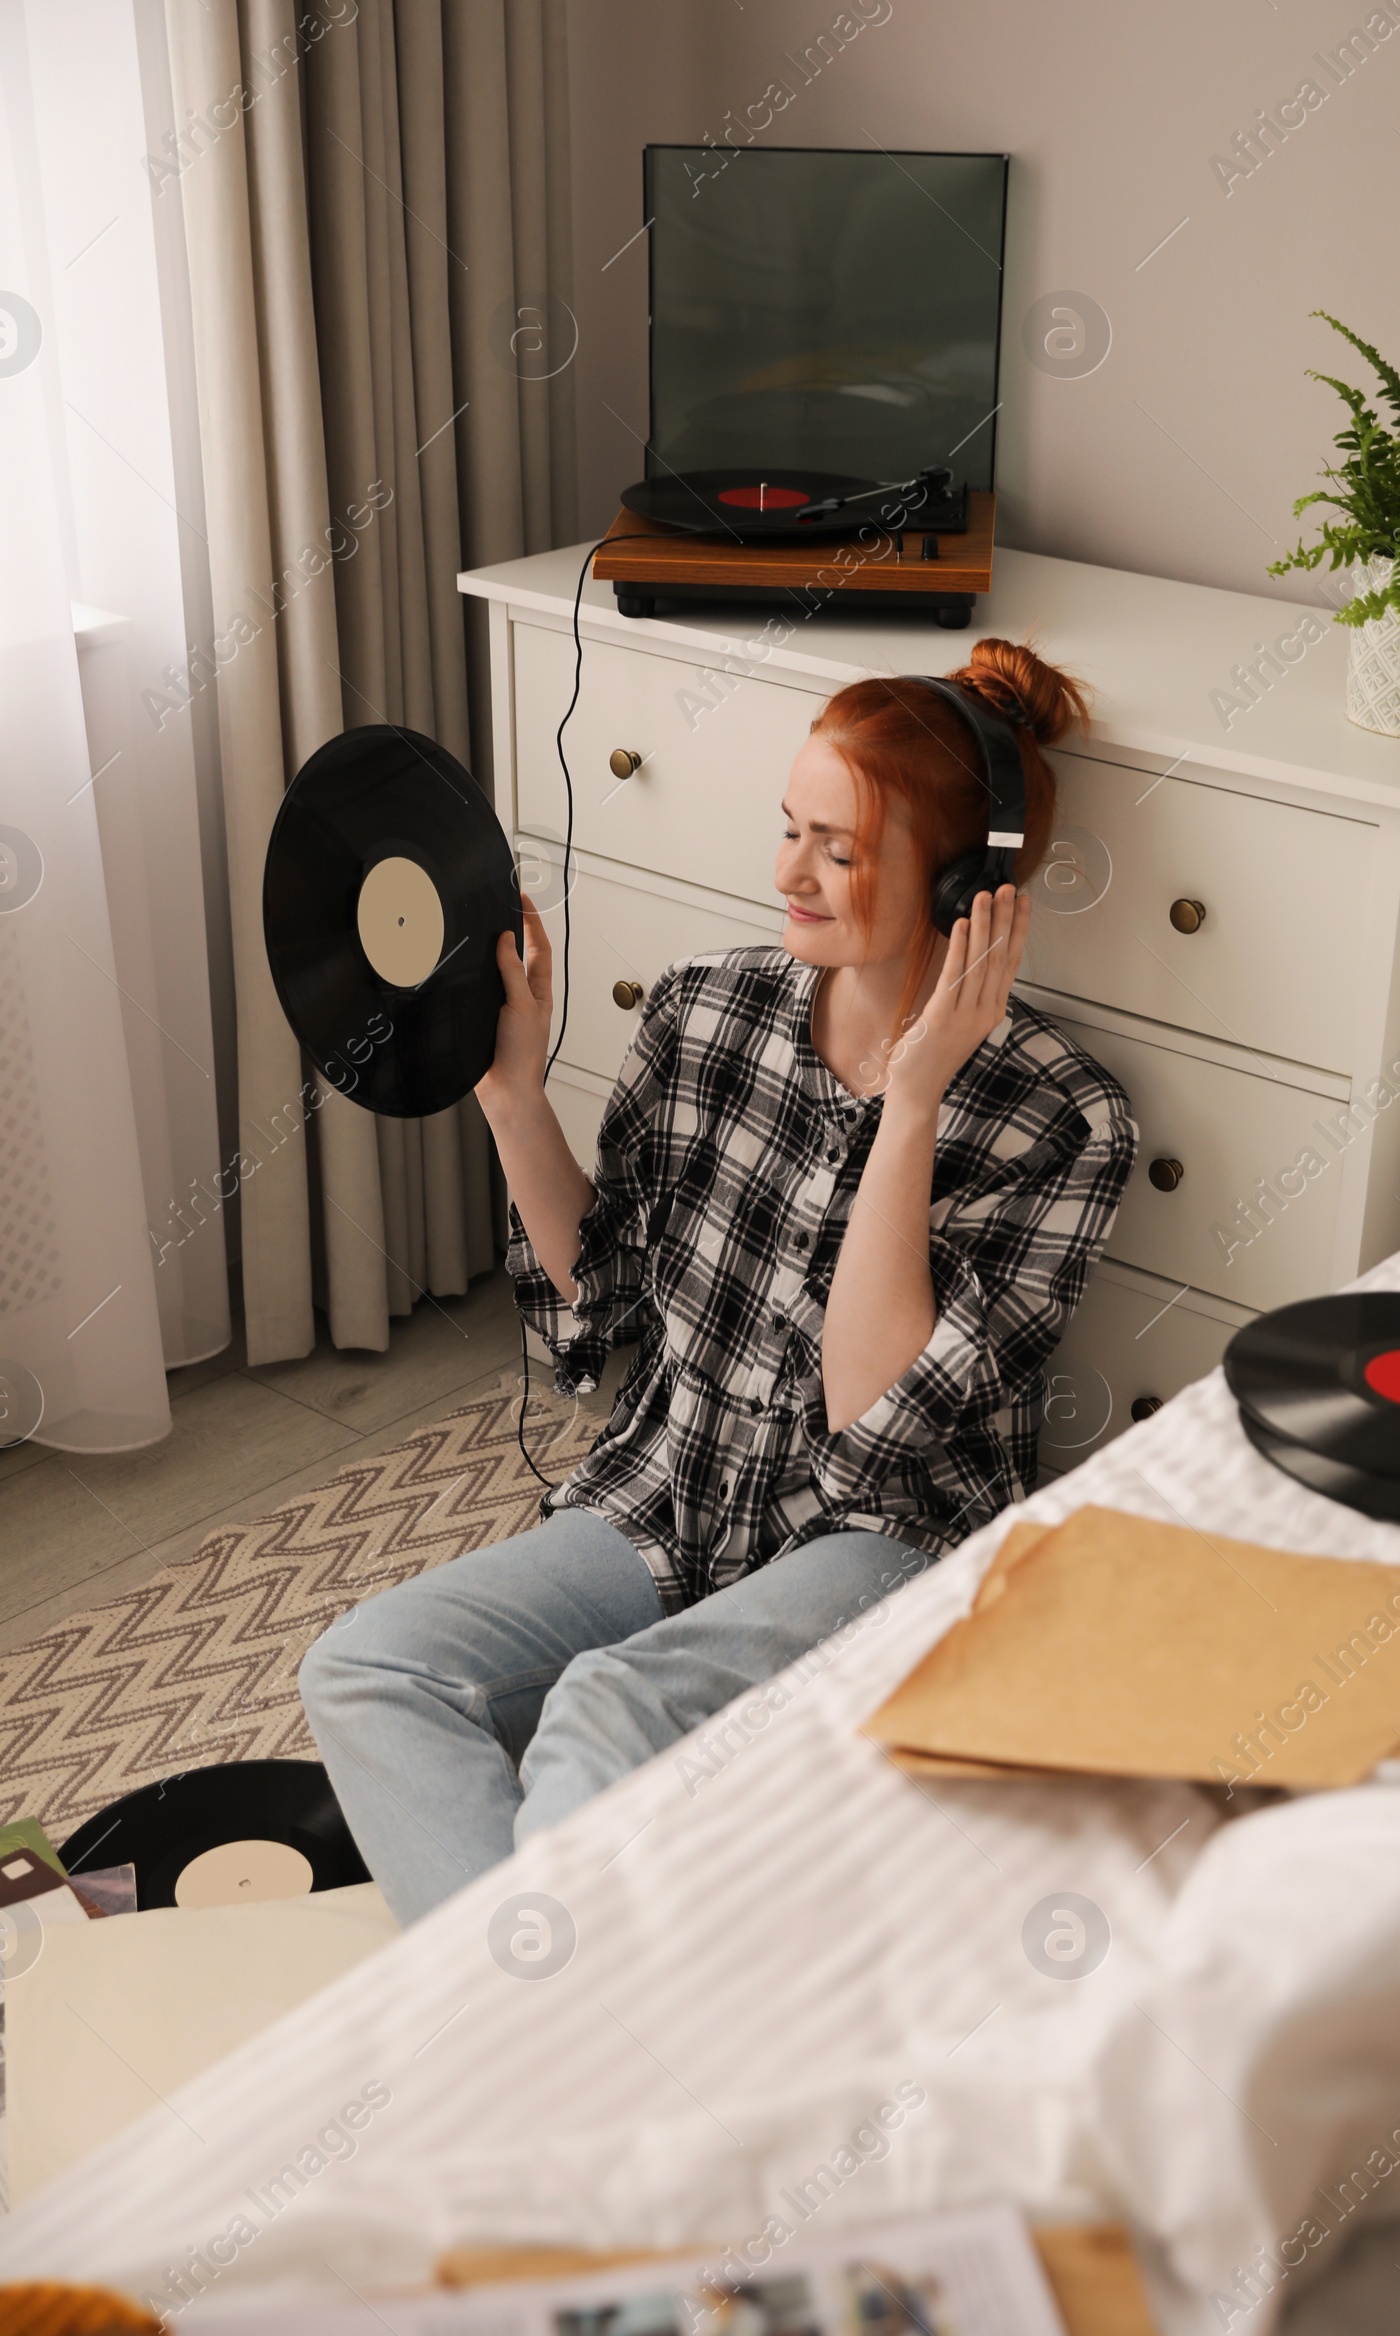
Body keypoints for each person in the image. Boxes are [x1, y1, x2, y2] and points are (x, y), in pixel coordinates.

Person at [300, 638, 1136, 1923]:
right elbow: (605, 1312)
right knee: (365, 1667)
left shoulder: (1061, 1122)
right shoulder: (704, 1012)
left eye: (839, 852)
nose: (785, 876)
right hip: (669, 1486)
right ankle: (540, 2015)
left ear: (966, 888)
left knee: (608, 1698)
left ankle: (509, 2030)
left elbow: (873, 1427)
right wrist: (513, 1097)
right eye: (788, 829)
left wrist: (909, 1105)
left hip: (884, 1542)